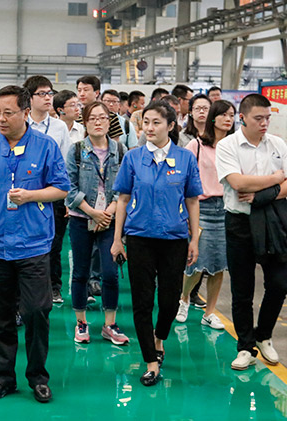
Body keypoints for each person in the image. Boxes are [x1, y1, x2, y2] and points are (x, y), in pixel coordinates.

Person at [0, 85, 70, 403]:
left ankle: (38, 376)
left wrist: (31, 195)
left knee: (36, 311)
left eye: (8, 113)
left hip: (33, 244)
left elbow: (61, 188)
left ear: (25, 113)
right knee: (0, 315)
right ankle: (3, 377)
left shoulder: (46, 146)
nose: (0, 118)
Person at [111, 100, 202, 386]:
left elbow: (192, 200)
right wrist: (117, 239)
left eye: (156, 122)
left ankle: (159, 337)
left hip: (174, 239)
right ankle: (151, 360)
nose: (149, 128)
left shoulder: (185, 158)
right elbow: (122, 199)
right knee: (142, 300)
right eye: (146, 122)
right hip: (139, 238)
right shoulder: (133, 157)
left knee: (169, 300)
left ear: (171, 126)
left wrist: (194, 238)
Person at [215, 93, 287, 370]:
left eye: (267, 118)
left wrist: (261, 195)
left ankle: (263, 334)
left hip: (273, 221)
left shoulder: (278, 144)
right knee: (242, 289)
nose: (264, 123)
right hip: (240, 224)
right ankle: (245, 346)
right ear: (242, 118)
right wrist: (276, 179)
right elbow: (238, 183)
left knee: (279, 283)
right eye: (259, 118)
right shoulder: (228, 146)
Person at [65, 101, 129, 346]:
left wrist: (108, 212)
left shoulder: (120, 150)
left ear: (109, 122)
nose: (98, 122)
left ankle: (109, 324)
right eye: (92, 118)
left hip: (110, 220)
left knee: (110, 273)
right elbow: (69, 188)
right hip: (81, 219)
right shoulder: (76, 151)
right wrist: (92, 212)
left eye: (102, 117)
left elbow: (125, 188)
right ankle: (81, 322)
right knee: (80, 272)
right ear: (85, 122)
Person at [175, 99, 236, 330]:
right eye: (224, 115)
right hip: (201, 208)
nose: (228, 119)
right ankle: (184, 298)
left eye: (232, 115)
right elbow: (183, 180)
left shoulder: (234, 147)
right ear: (213, 118)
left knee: (220, 264)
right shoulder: (196, 145)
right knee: (196, 262)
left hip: (227, 208)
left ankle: (209, 312)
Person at [24, 75, 72, 303]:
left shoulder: (59, 127)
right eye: (42, 94)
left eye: (50, 93)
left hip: (53, 195)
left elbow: (65, 163)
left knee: (54, 244)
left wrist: (68, 199)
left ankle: (53, 287)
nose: (47, 98)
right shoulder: (22, 124)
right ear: (29, 98)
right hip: (26, 194)